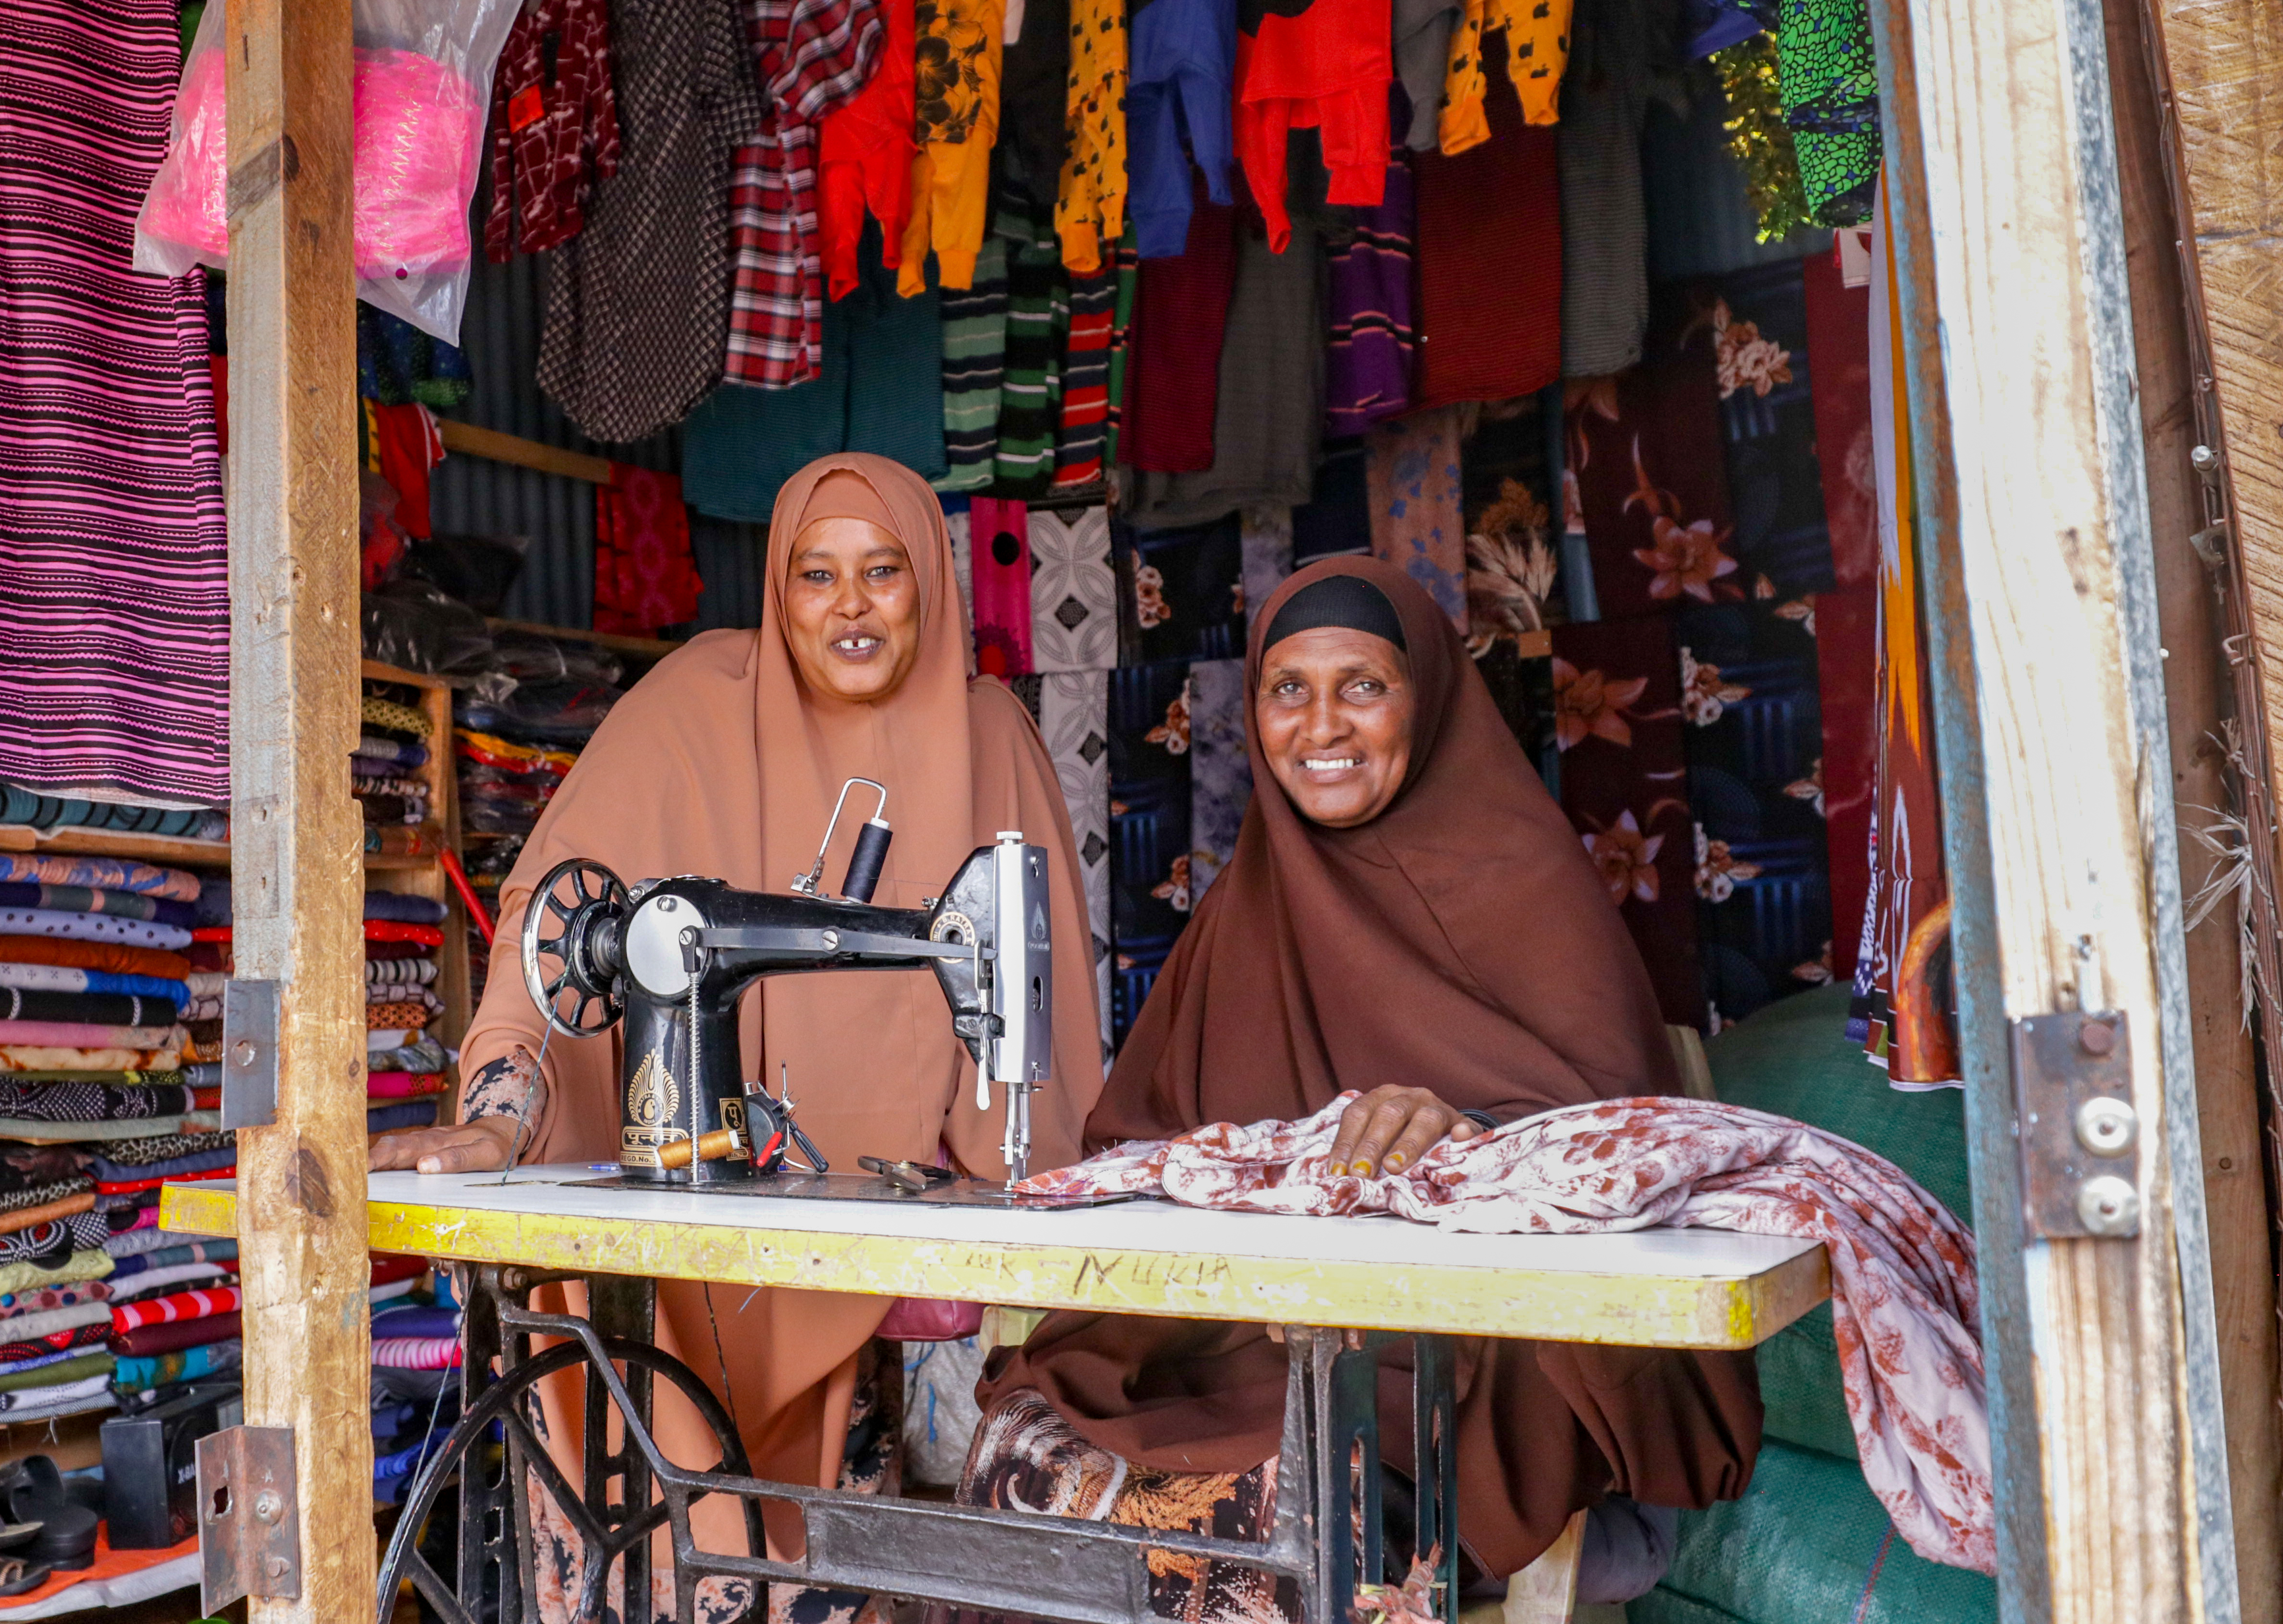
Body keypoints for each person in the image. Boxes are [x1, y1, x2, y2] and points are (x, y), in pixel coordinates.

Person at [372, 453, 1108, 1610]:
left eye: (885, 572)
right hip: (671, 1271)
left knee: (838, 1547)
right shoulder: (693, 702)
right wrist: (502, 1112)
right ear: (778, 587)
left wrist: (1043, 1176)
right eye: (818, 574)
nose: (851, 605)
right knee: (657, 1497)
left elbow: (1038, 981)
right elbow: (561, 918)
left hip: (860, 1276)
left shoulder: (991, 734)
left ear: (934, 586)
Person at [965, 557, 1762, 1617]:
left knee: (1248, 1564)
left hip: (1447, 1388)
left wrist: (1471, 1134)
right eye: (1288, 688)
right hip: (1225, 1351)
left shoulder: (1534, 892)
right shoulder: (1239, 918)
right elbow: (1137, 1149)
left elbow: (1630, 1152)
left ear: (1424, 700)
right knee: (1016, 1476)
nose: (1322, 724)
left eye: (1363, 685)